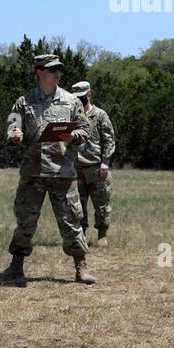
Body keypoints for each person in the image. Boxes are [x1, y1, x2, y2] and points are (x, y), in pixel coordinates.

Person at [0, 53, 96, 286]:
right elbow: (12, 125)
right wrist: (15, 134)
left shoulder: (72, 101)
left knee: (71, 220)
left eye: (59, 70)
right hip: (33, 172)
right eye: (52, 70)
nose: (57, 74)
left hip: (63, 171)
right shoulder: (23, 102)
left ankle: (81, 268)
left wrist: (73, 135)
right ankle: (15, 267)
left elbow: (86, 129)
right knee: (25, 221)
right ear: (39, 72)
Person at [69, 80, 116, 248]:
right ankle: (81, 236)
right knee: (77, 207)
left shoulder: (100, 115)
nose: (78, 100)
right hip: (76, 168)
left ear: (88, 95)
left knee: (101, 204)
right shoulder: (71, 116)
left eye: (81, 97)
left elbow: (109, 140)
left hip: (97, 168)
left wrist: (105, 162)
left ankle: (102, 235)